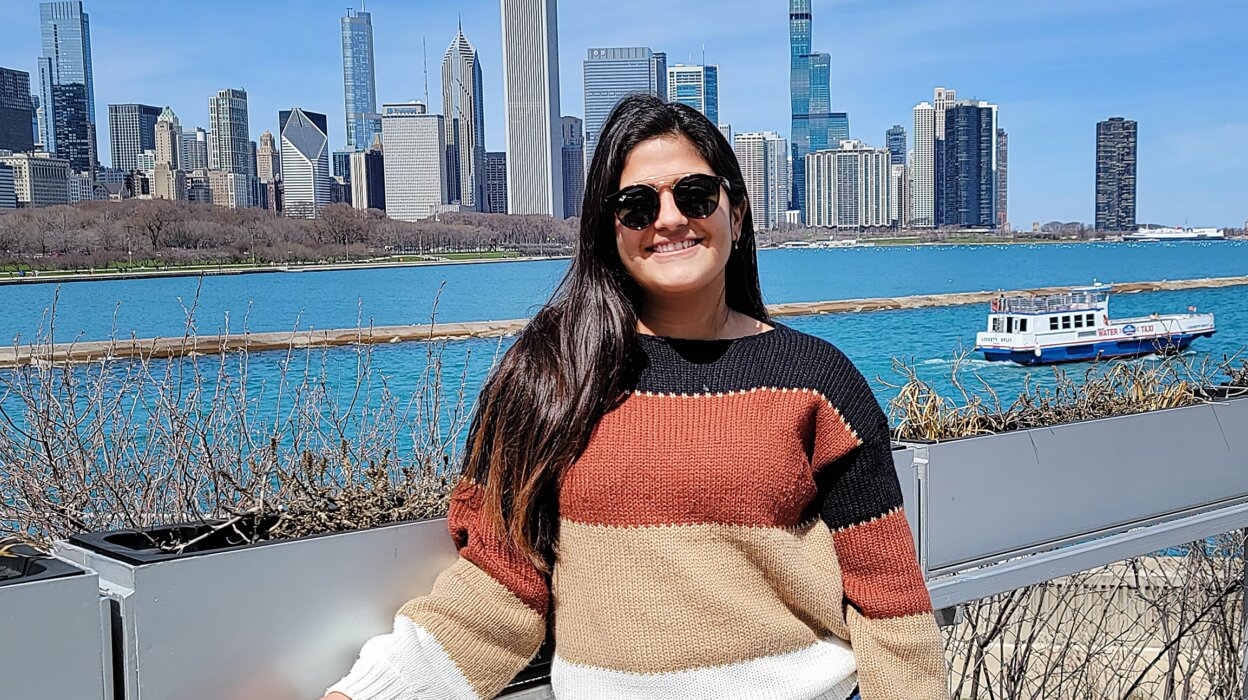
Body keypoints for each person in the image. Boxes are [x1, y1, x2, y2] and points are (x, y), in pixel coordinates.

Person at [322, 95, 947, 700]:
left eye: (696, 196)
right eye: (637, 206)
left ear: (737, 212)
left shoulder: (817, 380)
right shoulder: (550, 378)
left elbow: (889, 604)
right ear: (608, 228)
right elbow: (501, 587)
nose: (670, 219)